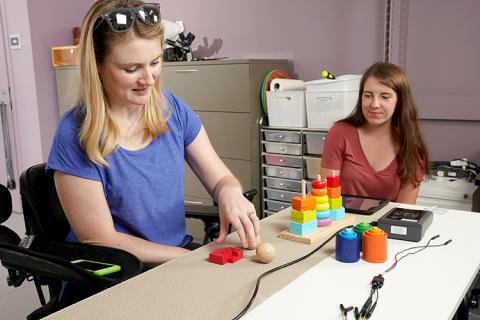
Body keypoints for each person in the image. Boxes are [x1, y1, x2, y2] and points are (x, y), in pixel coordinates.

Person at [47, 0, 259, 267]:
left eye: (155, 62)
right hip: (115, 274)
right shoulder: (75, 133)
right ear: (98, 65)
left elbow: (221, 180)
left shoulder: (172, 111)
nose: (148, 79)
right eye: (131, 68)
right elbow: (100, 239)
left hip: (175, 261)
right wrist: (191, 258)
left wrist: (229, 192)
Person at [320, 62, 430, 204]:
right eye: (368, 95)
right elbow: (326, 199)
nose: (374, 104)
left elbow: (403, 212)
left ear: (400, 102)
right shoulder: (340, 132)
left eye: (385, 97)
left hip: (385, 226)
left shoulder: (412, 147)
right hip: (342, 223)